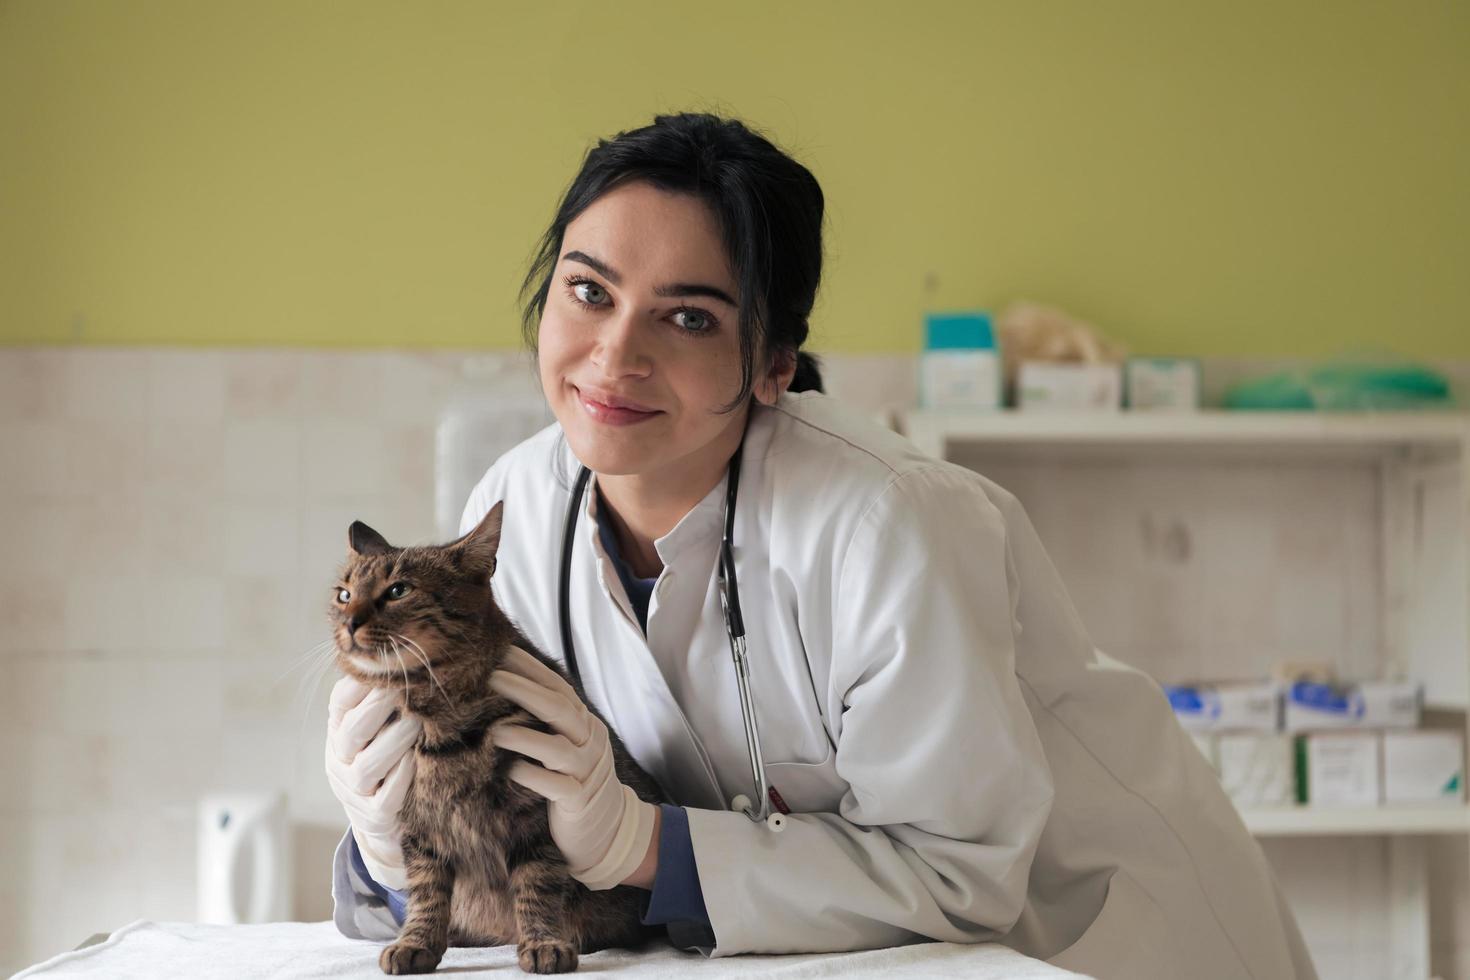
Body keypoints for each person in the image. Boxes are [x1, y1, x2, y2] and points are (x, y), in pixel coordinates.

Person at [327, 112, 1316, 979]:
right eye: (589, 291)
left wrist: (644, 845)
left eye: (687, 316)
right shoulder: (516, 507)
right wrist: (386, 835)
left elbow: (959, 869)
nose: (616, 353)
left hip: (1099, 939)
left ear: (771, 364)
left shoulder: (888, 518)